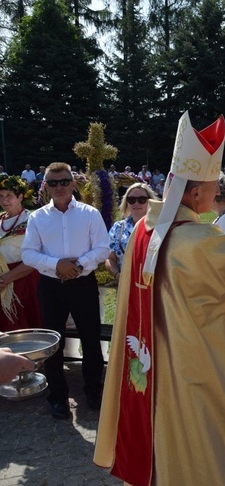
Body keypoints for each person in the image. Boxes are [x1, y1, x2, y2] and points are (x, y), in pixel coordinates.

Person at [94, 113, 225, 485]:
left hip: (151, 356)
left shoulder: (146, 229)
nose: (215, 193)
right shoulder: (193, 241)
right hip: (185, 363)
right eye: (210, 187)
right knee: (201, 433)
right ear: (192, 194)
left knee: (173, 436)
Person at [21, 162, 110, 419]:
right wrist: (56, 264)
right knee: (53, 344)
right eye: (52, 182)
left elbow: (102, 248)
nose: (58, 187)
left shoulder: (89, 213)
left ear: (73, 183)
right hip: (51, 287)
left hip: (82, 284)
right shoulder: (37, 218)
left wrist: (79, 265)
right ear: (45, 186)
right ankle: (57, 396)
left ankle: (93, 389)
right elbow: (28, 253)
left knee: (90, 339)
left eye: (63, 181)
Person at [0, 176, 42, 331]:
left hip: (24, 281)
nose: (5, 201)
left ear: (20, 197)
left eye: (9, 196)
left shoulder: (32, 221)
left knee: (26, 328)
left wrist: (4, 280)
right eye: (1, 196)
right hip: (2, 282)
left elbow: (34, 258)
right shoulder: (0, 220)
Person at [105, 182, 157, 282]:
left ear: (150, 201)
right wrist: (117, 276)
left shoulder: (159, 227)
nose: (136, 203)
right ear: (126, 203)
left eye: (142, 200)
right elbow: (110, 259)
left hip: (152, 287)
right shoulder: (117, 228)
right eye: (131, 200)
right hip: (126, 286)